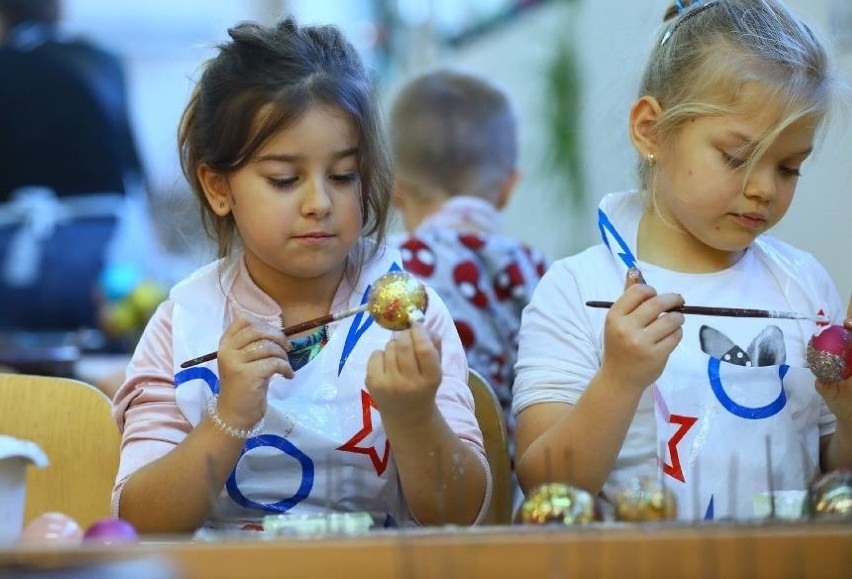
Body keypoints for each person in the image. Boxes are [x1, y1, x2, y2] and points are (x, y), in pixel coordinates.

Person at [110, 18, 489, 534]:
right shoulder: (183, 326)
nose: (319, 203)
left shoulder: (408, 316)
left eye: (343, 175)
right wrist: (229, 416)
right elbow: (142, 521)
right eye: (284, 180)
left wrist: (414, 415)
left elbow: (460, 514)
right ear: (218, 187)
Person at [512, 0, 852, 521]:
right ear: (651, 130)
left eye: (789, 167)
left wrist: (848, 416)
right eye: (737, 157)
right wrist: (620, 379)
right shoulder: (576, 289)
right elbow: (545, 486)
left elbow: (833, 481)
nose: (763, 189)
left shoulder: (804, 285)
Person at [389, 70, 549, 439]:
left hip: (417, 470)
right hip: (514, 482)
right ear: (508, 187)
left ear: (395, 189)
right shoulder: (535, 269)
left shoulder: (389, 269)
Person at [0, 0, 160, 335]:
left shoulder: (7, 64)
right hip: (103, 261)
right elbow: (133, 166)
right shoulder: (103, 61)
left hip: (16, 260)